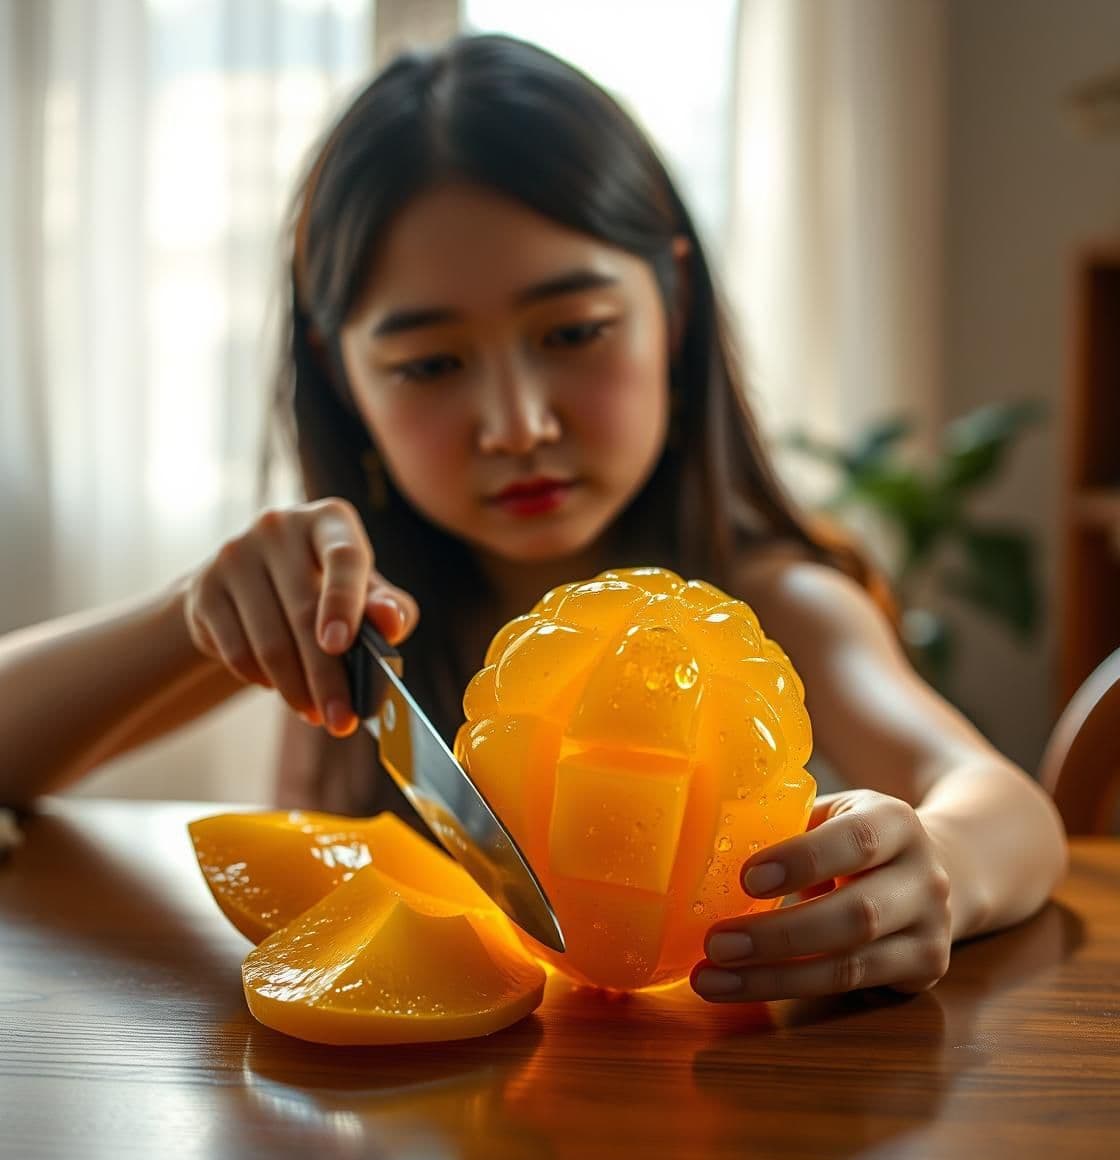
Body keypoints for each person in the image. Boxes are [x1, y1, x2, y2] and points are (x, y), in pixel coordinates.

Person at [0, 34, 1066, 1004]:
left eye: (573, 332)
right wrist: (198, 612)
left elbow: (1001, 802)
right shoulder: (348, 628)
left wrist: (946, 869)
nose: (514, 425)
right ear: (341, 375)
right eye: (429, 362)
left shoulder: (781, 600)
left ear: (672, 307)